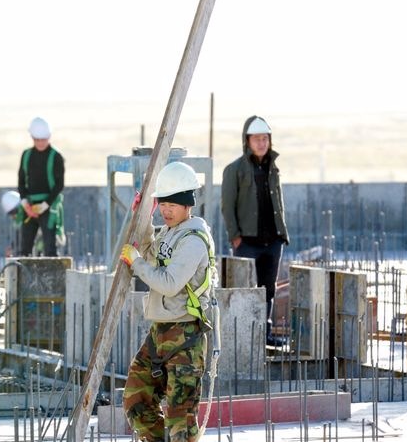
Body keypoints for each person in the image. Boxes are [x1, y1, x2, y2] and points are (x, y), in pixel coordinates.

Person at [120, 162, 217, 442]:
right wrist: (143, 218)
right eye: (163, 204)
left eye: (173, 204)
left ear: (188, 204)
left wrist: (136, 264)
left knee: (180, 420)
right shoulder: (170, 232)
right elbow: (152, 252)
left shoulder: (194, 239)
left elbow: (169, 283)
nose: (166, 210)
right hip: (160, 331)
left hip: (185, 335)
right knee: (137, 399)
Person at [221, 115, 289, 347]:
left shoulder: (274, 169)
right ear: (247, 141)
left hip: (273, 242)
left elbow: (278, 202)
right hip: (247, 242)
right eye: (256, 139)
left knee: (268, 289)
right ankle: (245, 336)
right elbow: (227, 206)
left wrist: (281, 235)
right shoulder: (234, 170)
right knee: (246, 289)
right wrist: (236, 237)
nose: (261, 143)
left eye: (265, 138)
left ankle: (264, 334)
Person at [17, 116, 65, 256]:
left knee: (50, 246)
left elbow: (59, 185)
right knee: (25, 247)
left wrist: (44, 205)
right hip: (30, 206)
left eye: (43, 139)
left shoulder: (56, 156)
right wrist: (26, 204)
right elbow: (21, 182)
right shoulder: (26, 155)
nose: (40, 143)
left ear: (49, 137)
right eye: (37, 140)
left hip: (48, 206)